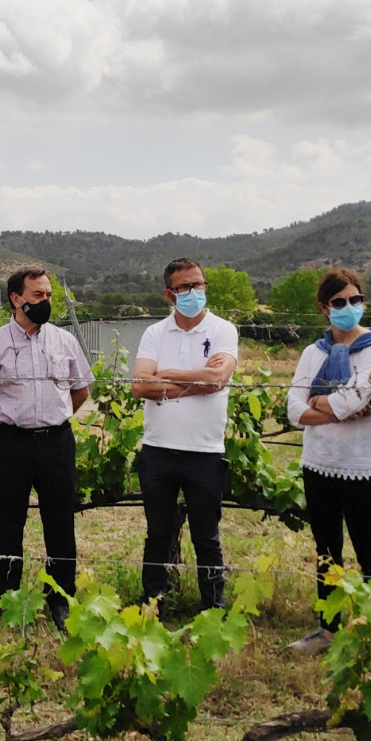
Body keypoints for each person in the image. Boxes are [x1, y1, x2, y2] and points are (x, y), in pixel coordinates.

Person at [0, 266, 93, 630]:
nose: (46, 302)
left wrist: (54, 420)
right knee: (6, 523)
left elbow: (81, 391)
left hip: (57, 444)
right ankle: (8, 598)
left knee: (60, 522)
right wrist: (6, 427)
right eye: (38, 296)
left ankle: (61, 600)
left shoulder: (64, 342)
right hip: (9, 446)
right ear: (17, 299)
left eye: (49, 295)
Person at [285, 268, 371, 656]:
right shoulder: (311, 352)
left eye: (356, 300)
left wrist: (321, 401)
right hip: (319, 462)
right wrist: (335, 405)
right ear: (324, 308)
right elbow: (292, 411)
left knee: (370, 550)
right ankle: (328, 630)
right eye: (339, 302)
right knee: (326, 550)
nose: (350, 308)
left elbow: (354, 400)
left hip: (364, 465)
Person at [130, 258, 240, 611]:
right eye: (184, 288)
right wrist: (196, 380)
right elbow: (139, 386)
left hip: (205, 451)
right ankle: (152, 605)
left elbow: (217, 380)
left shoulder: (223, 330)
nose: (193, 292)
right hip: (158, 450)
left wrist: (168, 375)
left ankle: (213, 608)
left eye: (198, 285)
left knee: (207, 537)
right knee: (158, 535)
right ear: (168, 294)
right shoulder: (155, 333)